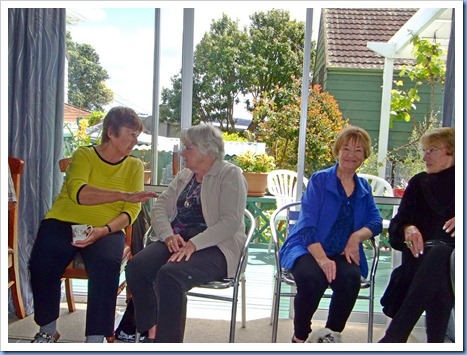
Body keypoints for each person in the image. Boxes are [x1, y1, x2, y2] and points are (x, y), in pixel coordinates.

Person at [29, 106, 158, 343]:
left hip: (107, 227)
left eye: (136, 136)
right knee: (41, 259)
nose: (135, 140)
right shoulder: (83, 155)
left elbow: (132, 210)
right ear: (111, 132)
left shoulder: (134, 166)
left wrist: (104, 230)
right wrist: (122, 194)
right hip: (63, 220)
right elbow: (80, 194)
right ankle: (47, 329)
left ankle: (95, 339)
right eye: (131, 134)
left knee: (107, 263)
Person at [126, 123, 247, 343]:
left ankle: (167, 344)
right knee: (137, 267)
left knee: (170, 274)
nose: (183, 152)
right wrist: (167, 235)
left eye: (188, 147)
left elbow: (230, 222)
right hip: (177, 240)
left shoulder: (230, 174)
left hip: (215, 246)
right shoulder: (185, 176)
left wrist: (195, 243)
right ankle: (152, 330)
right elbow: (160, 207)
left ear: (206, 150)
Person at [279, 126, 382, 343]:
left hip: (341, 250)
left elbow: (375, 221)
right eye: (346, 148)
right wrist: (322, 259)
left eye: (358, 151)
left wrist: (356, 237)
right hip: (309, 246)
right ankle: (300, 336)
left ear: (364, 156)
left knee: (350, 280)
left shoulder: (363, 187)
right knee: (311, 278)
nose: (351, 155)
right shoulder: (320, 179)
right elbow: (307, 225)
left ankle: (329, 336)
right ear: (337, 150)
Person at [379, 127, 455, 343]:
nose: (424, 157)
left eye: (431, 150)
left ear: (451, 150)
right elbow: (395, 228)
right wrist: (407, 228)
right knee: (436, 265)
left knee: (440, 255)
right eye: (424, 151)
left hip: (458, 262)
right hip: (422, 261)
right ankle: (435, 344)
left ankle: (393, 338)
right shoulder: (418, 183)